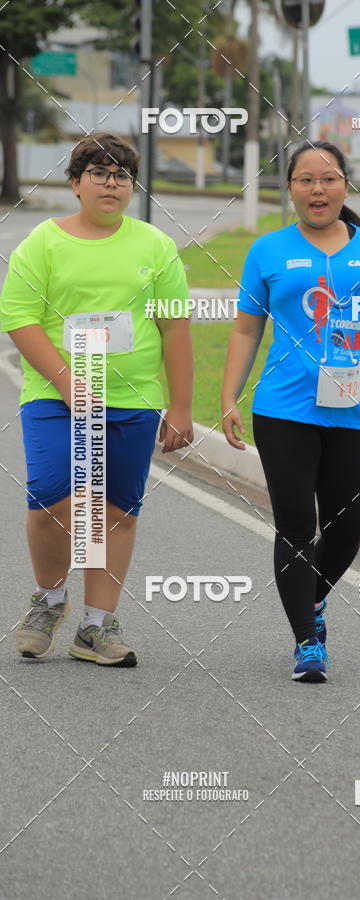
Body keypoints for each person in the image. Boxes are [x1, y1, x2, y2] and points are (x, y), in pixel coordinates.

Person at [221, 140, 360, 683]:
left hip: (350, 408)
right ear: (291, 188)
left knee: (347, 528)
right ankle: (307, 642)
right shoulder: (268, 251)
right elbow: (246, 328)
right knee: (297, 524)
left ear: (345, 184)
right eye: (305, 180)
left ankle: (310, 599)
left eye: (328, 179)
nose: (317, 189)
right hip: (283, 410)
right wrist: (228, 397)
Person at [0, 133, 194, 667]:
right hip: (54, 397)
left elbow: (175, 326)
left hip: (132, 399)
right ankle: (50, 599)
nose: (111, 184)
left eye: (122, 176)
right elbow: (17, 316)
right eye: (99, 173)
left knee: (114, 511)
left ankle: (95, 627)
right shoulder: (43, 241)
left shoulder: (154, 245)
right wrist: (65, 379)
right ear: (75, 184)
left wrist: (180, 406)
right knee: (50, 498)